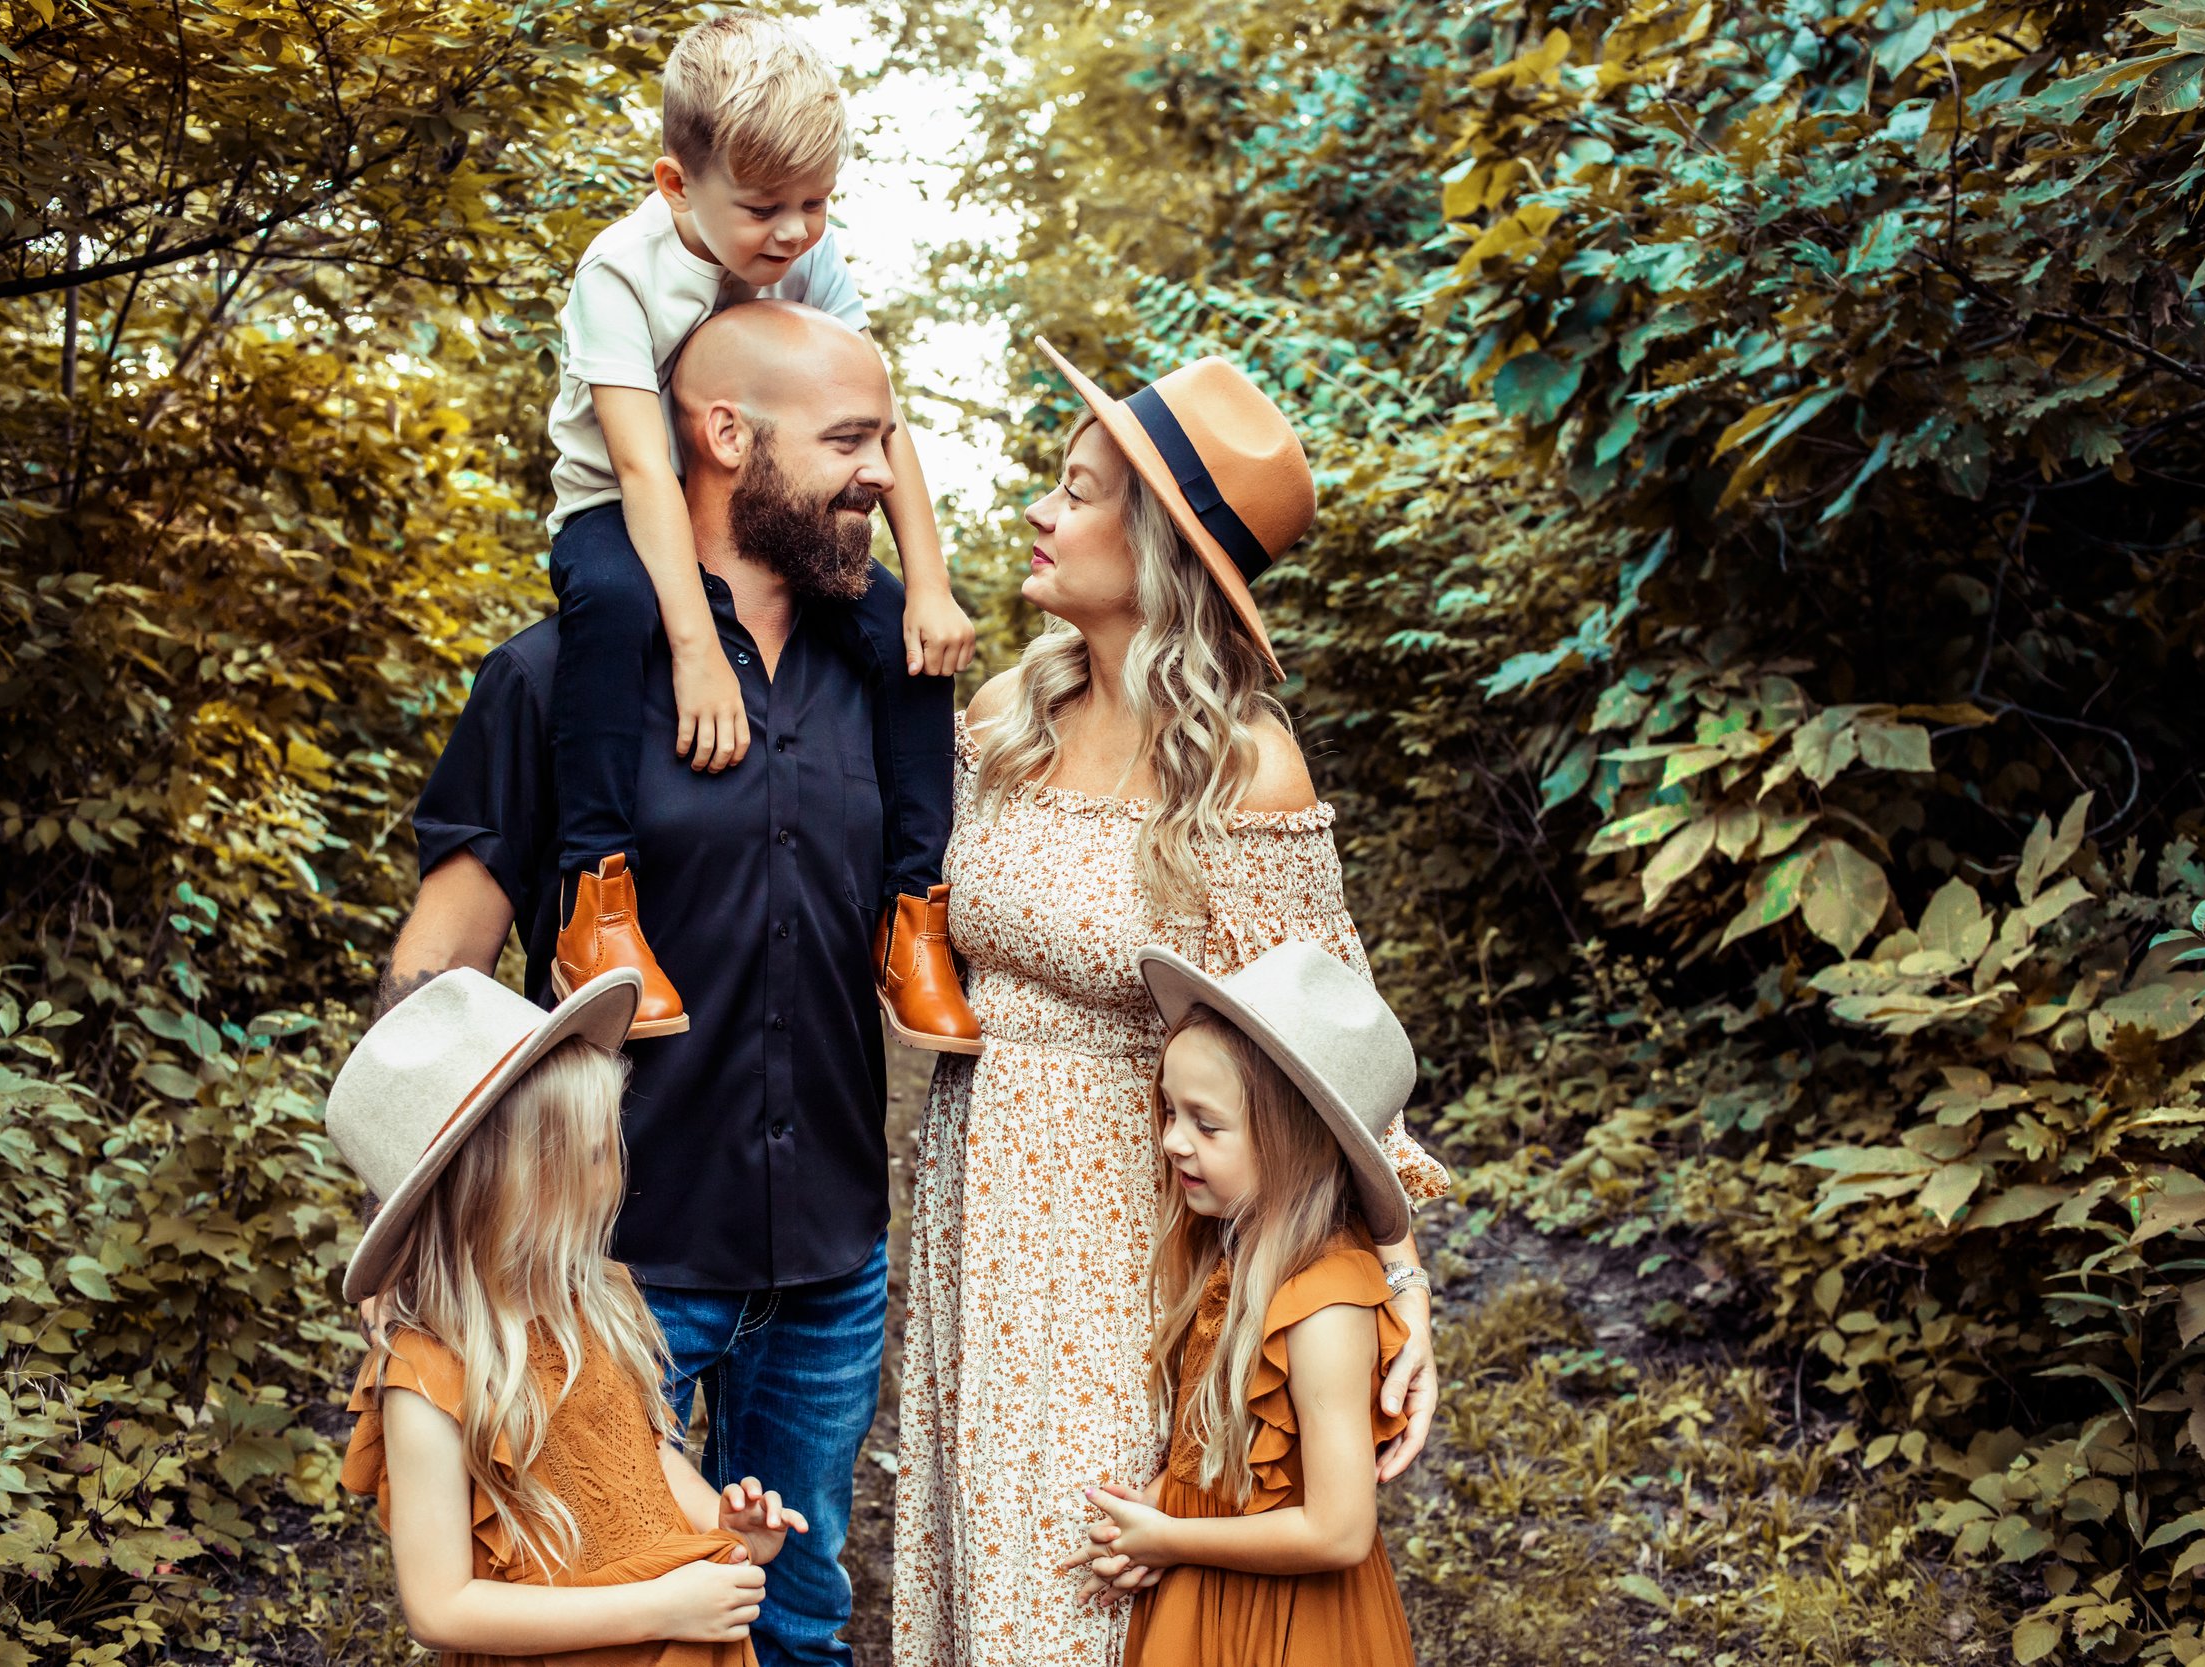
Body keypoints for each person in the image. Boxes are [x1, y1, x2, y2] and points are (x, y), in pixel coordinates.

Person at [891, 338, 1450, 1666]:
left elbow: (1331, 1037)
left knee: (1092, 1565)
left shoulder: (1241, 764)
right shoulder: (1009, 713)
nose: (1039, 508)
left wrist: (1398, 1278)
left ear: (1164, 548)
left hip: (1136, 1217)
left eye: (1078, 491)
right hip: (975, 1189)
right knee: (982, 1544)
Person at [386, 302, 914, 1666]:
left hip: (832, 1255)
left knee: (799, 1606)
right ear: (726, 436)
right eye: (851, 439)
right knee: (613, 1620)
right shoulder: (558, 677)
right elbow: (438, 964)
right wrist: (418, 1222)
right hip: (609, 1271)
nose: (881, 473)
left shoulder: (890, 688)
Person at [541, 9, 979, 1055]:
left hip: (756, 504)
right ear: (675, 185)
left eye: (816, 204)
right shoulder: (620, 272)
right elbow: (645, 464)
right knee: (611, 600)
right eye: (765, 209)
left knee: (902, 639)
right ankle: (596, 905)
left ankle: (914, 914)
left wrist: (929, 582)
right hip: (620, 499)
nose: (792, 234)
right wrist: (696, 650)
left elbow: (880, 417)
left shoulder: (808, 263)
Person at [327, 965, 811, 1666]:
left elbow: (641, 1457)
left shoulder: (590, 1302)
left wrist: (725, 1527)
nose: (615, 1170)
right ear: (504, 1189)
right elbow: (441, 1607)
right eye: (591, 1153)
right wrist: (659, 1606)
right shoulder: (426, 1377)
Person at [1060, 941, 1420, 1667]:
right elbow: (1216, 1446)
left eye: (1205, 1122)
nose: (1170, 1141)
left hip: (1292, 1623)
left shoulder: (1324, 1305)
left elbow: (1340, 1531)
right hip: (1211, 1595)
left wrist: (1168, 1539)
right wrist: (1154, 1507)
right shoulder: (1236, 1262)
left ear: (1295, 1139)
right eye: (1168, 1110)